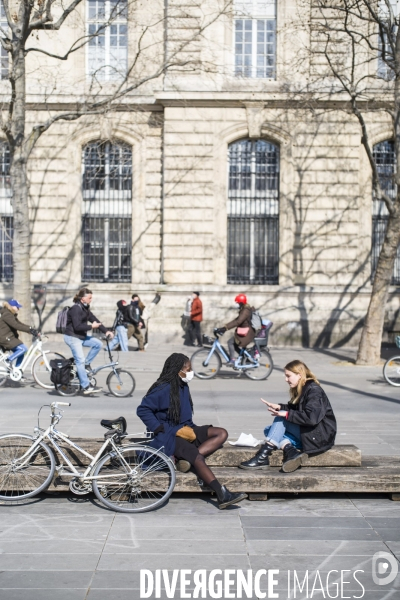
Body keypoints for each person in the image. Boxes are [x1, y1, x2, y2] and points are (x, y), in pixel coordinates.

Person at [137, 353, 247, 510]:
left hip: (187, 428)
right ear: (177, 370)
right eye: (188, 369)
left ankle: (189, 461)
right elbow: (143, 409)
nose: (191, 371)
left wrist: (190, 430)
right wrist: (159, 428)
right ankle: (222, 494)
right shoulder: (163, 388)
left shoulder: (182, 384)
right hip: (169, 435)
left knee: (221, 433)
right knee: (198, 458)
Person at [239, 360, 337, 473]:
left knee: (280, 421)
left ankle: (262, 456)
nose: (286, 379)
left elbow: (311, 418)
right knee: (269, 430)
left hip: (320, 437)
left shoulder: (314, 391)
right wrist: (279, 407)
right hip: (311, 433)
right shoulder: (304, 388)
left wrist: (285, 414)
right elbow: (296, 409)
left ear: (299, 375)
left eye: (288, 376)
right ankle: (291, 452)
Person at [64, 288, 113, 394]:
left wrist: (106, 331)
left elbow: (94, 319)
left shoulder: (85, 308)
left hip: (80, 337)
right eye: (89, 298)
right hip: (72, 337)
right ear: (83, 299)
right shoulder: (75, 309)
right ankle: (85, 386)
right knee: (79, 360)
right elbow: (77, 327)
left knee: (98, 344)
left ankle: (86, 365)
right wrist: (91, 326)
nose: (91, 300)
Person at [215, 293, 255, 365]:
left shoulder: (245, 310)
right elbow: (236, 320)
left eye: (238, 303)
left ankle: (232, 360)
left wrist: (225, 328)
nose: (237, 304)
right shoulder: (244, 309)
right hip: (246, 332)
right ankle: (245, 359)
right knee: (235, 344)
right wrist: (224, 327)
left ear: (241, 302)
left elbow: (237, 322)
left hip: (247, 334)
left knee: (230, 342)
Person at [0, 299, 38, 368]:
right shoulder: (7, 315)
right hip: (5, 338)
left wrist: (30, 329)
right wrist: (29, 330)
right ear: (12, 307)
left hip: (8, 337)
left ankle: (17, 370)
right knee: (23, 349)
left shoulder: (10, 314)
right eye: (17, 307)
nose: (18, 309)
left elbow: (20, 324)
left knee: (21, 353)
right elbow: (16, 325)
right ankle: (8, 360)